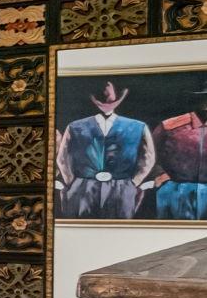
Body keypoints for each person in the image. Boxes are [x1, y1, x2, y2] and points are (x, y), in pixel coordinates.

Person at [56, 80, 155, 219]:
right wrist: (71, 181)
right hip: (83, 188)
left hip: (122, 188)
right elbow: (62, 157)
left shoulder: (138, 126)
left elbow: (148, 157)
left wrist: (134, 182)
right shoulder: (75, 126)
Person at [155, 84, 207, 221]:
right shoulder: (170, 125)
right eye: (203, 97)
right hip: (176, 191)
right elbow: (149, 155)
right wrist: (161, 176)